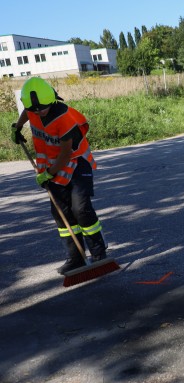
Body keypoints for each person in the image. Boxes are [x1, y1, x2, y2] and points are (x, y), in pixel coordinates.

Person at [11, 77, 109, 274]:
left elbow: (65, 154)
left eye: (43, 108)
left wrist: (47, 174)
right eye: (35, 109)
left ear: (52, 99)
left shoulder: (63, 117)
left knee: (80, 208)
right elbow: (27, 113)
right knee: (61, 213)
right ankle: (76, 257)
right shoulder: (33, 109)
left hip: (75, 162)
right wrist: (17, 126)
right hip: (54, 167)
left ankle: (99, 253)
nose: (39, 112)